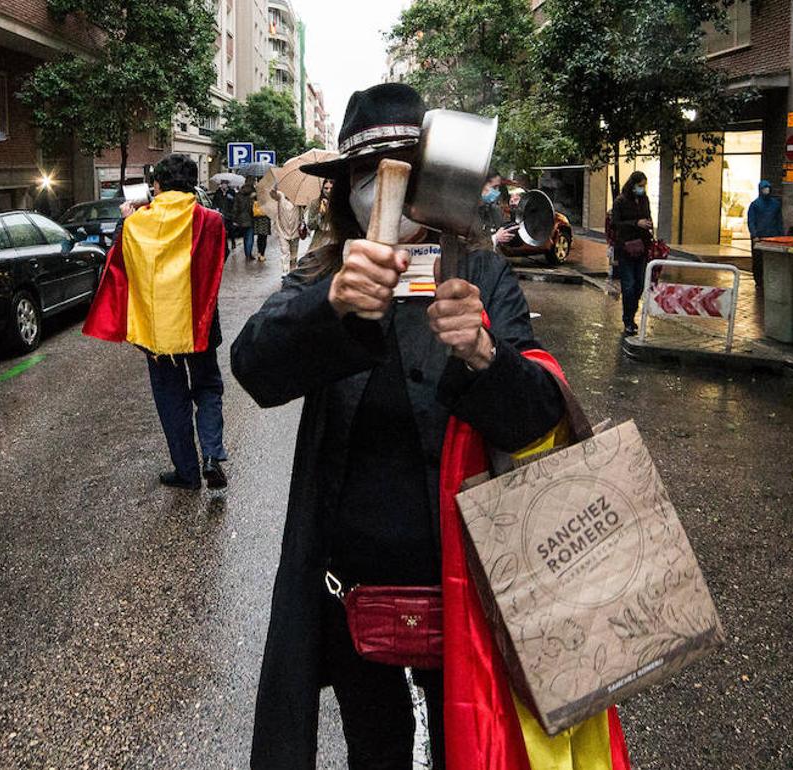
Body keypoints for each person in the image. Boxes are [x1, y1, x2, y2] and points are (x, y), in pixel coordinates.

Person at [231, 83, 572, 769]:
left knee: (465, 747)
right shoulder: (328, 271)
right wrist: (330, 303)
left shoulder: (480, 272)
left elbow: (539, 415)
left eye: (404, 170)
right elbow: (255, 367)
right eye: (365, 175)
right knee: (374, 748)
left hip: (466, 585)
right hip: (354, 587)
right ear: (345, 190)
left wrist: (482, 351)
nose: (382, 190)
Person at [83, 153, 229, 491]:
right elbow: (217, 264)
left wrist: (125, 221)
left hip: (155, 333)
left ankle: (187, 473)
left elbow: (119, 268)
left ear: (157, 185)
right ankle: (211, 454)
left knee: (171, 399)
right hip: (200, 325)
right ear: (192, 184)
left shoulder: (136, 224)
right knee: (208, 388)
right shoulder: (211, 220)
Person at [611, 170, 654, 335]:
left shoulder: (644, 200)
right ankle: (627, 320)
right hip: (626, 248)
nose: (642, 189)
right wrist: (636, 223)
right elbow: (615, 223)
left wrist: (648, 225)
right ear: (633, 184)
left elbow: (648, 217)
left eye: (644, 186)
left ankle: (631, 314)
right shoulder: (620, 201)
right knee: (628, 286)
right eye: (640, 186)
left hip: (641, 248)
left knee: (640, 284)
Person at [746, 179, 783, 288]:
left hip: (772, 237)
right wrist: (754, 235)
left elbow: (779, 221)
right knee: (758, 261)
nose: (766, 190)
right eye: (764, 188)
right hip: (760, 237)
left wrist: (781, 235)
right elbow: (751, 221)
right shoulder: (755, 204)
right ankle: (759, 281)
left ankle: (769, 280)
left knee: (771, 260)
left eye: (768, 188)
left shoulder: (775, 204)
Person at [477, 171, 518, 250]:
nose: (498, 192)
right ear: (481, 185)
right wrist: (495, 238)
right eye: (494, 187)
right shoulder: (467, 213)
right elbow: (469, 246)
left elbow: (509, 235)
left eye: (498, 187)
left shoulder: (494, 210)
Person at [269, 186, 303, 276]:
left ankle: (292, 272)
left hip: (295, 231)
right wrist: (274, 188)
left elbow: (303, 211)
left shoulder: (298, 199)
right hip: (282, 231)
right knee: (285, 252)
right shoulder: (280, 196)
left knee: (294, 254)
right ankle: (285, 271)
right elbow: (272, 194)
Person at [305, 178, 333, 252]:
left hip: (333, 240)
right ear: (322, 189)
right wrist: (320, 214)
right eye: (326, 188)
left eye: (331, 188)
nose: (328, 191)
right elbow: (310, 225)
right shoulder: (315, 203)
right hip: (319, 241)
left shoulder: (339, 203)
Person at [234, 178, 256, 260]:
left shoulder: (239, 194)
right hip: (250, 218)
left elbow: (235, 208)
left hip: (241, 219)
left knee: (245, 237)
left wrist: (235, 219)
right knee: (250, 237)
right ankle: (248, 254)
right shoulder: (253, 194)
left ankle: (247, 253)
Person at [252, 190, 271, 262]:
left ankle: (259, 253)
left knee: (259, 238)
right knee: (264, 238)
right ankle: (262, 254)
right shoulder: (267, 201)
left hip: (257, 220)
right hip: (265, 220)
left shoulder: (255, 198)